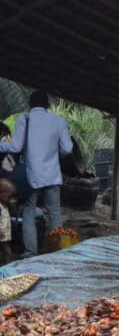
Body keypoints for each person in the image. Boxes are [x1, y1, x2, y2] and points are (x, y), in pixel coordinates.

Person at [0, 91, 73, 257]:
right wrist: (55, 155)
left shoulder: (24, 120)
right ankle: (57, 251)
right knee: (54, 214)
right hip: (52, 175)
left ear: (30, 105)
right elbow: (68, 149)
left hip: (30, 176)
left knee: (28, 212)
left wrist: (1, 146)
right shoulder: (58, 121)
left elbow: (16, 147)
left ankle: (31, 252)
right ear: (47, 105)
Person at [0, 178, 14, 265]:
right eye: (8, 195)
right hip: (1, 233)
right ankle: (7, 266)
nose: (10, 197)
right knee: (7, 251)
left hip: (4, 234)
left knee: (6, 250)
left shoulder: (5, 204)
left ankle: (6, 266)